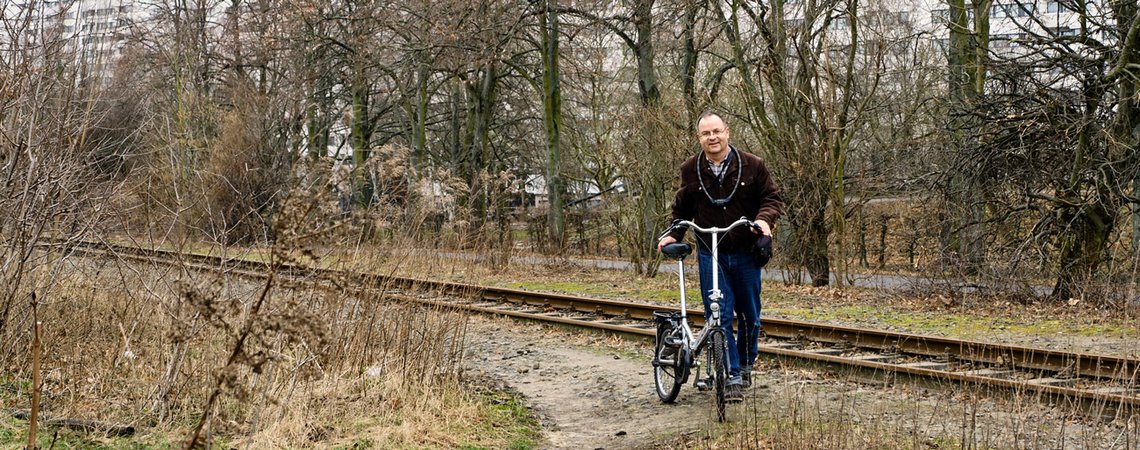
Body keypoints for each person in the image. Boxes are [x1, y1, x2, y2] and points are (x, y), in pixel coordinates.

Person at [657, 111, 784, 402]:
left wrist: (764, 222)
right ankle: (732, 376)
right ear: (699, 138)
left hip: (745, 251)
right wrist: (672, 234)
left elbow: (772, 198)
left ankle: (745, 363)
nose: (712, 138)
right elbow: (682, 209)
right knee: (720, 315)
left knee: (750, 316)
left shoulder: (753, 165)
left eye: (716, 132)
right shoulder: (690, 169)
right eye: (706, 134)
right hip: (710, 252)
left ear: (727, 132)